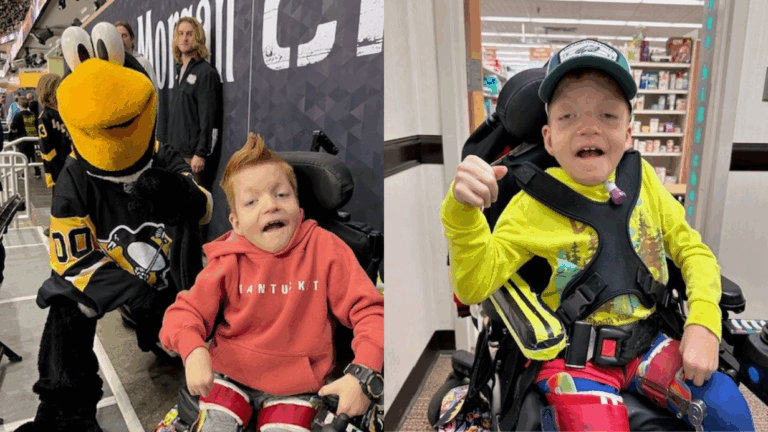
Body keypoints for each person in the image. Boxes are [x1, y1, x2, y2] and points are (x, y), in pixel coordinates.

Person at [440, 39, 753, 432]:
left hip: (647, 342)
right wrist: (463, 215)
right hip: (573, 357)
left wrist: (704, 322)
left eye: (607, 114)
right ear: (549, 137)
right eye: (569, 116)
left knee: (729, 409)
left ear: (628, 133)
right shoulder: (530, 203)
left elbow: (694, 251)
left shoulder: (644, 182)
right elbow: (473, 285)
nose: (589, 127)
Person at [159, 133, 384, 431]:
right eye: (252, 202)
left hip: (298, 388)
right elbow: (183, 314)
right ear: (236, 223)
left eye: (282, 195)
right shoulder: (229, 257)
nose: (270, 206)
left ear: (298, 204)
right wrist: (193, 349)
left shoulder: (325, 248)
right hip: (229, 376)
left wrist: (364, 374)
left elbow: (370, 312)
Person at [166, 16, 222, 188]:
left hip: (192, 157)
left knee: (194, 208)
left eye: (189, 34)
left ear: (198, 38)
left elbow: (209, 118)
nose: (184, 38)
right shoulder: (179, 72)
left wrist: (201, 153)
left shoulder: (206, 72)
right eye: (181, 34)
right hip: (176, 154)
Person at [36, 73, 72, 190]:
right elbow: (47, 150)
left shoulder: (65, 112)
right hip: (61, 172)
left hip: (74, 168)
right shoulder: (45, 116)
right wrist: (55, 176)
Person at [114, 21, 158, 89]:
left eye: (124, 36)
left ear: (131, 38)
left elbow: (154, 93)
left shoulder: (143, 64)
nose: (121, 40)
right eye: (117, 36)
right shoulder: (112, 65)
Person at [9, 96, 41, 179]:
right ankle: (38, 172)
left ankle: (24, 174)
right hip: (33, 139)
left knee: (24, 157)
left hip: (23, 140)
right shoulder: (33, 114)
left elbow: (13, 127)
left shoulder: (18, 116)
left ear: (19, 105)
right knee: (34, 157)